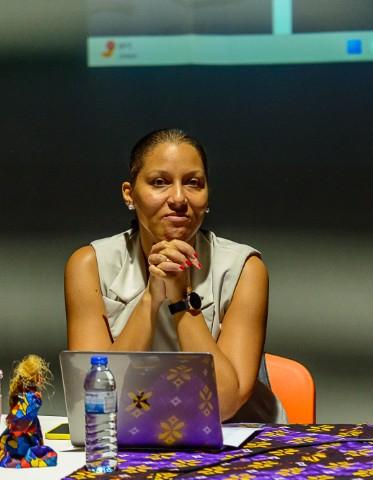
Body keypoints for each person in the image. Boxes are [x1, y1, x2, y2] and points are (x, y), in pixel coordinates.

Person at [65, 128, 285, 423]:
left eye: (193, 183)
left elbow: (224, 403)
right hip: (127, 433)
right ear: (129, 194)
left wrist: (180, 299)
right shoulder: (89, 265)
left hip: (236, 437)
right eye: (160, 182)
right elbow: (95, 402)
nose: (179, 198)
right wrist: (151, 298)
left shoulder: (243, 268)